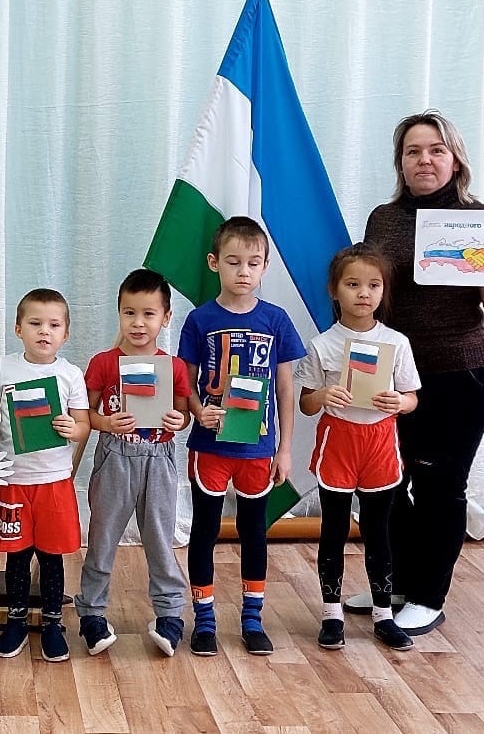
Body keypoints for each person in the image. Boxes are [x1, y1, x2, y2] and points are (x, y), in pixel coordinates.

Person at [351, 111, 484, 635]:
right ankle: (395, 584)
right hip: (391, 376)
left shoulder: (483, 221)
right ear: (401, 163)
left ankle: (428, 596)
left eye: (436, 150)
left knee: (440, 486)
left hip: (461, 375)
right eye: (413, 151)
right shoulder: (383, 220)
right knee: (384, 484)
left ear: (455, 159)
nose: (425, 160)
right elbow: (370, 292)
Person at [178, 216, 305, 657]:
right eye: (233, 262)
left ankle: (253, 618)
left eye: (253, 263)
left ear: (265, 266)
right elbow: (185, 381)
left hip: (258, 448)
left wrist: (285, 449)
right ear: (214, 263)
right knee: (205, 530)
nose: (243, 271)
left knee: (254, 532)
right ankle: (204, 619)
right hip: (210, 447)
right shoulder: (199, 319)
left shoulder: (276, 319)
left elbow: (286, 389)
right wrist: (199, 411)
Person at [295, 244, 418, 652]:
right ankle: (331, 614)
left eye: (373, 285)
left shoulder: (397, 342)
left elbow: (412, 398)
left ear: (384, 290)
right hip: (339, 443)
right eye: (352, 284)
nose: (363, 293)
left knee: (379, 531)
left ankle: (383, 614)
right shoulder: (322, 345)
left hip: (380, 443)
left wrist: (399, 402)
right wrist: (324, 395)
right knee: (333, 530)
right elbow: (306, 402)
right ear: (334, 290)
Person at [0, 288, 91, 662]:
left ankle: (52, 623)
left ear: (66, 333)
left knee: (52, 557)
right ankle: (15, 621)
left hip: (54, 482)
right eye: (35, 323)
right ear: (18, 329)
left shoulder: (70, 374)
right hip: (13, 482)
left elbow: (84, 424)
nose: (44, 331)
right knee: (17, 557)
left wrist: (74, 428)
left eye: (54, 325)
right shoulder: (5, 368)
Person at [73, 269, 191, 657]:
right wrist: (107, 423)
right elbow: (85, 414)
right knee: (102, 538)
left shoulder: (174, 367)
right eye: (129, 313)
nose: (138, 323)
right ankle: (92, 613)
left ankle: (170, 615)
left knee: (160, 539)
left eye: (148, 314)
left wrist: (177, 420)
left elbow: (182, 415)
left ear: (166, 317)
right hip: (114, 458)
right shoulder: (104, 363)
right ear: (119, 314)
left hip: (159, 460)